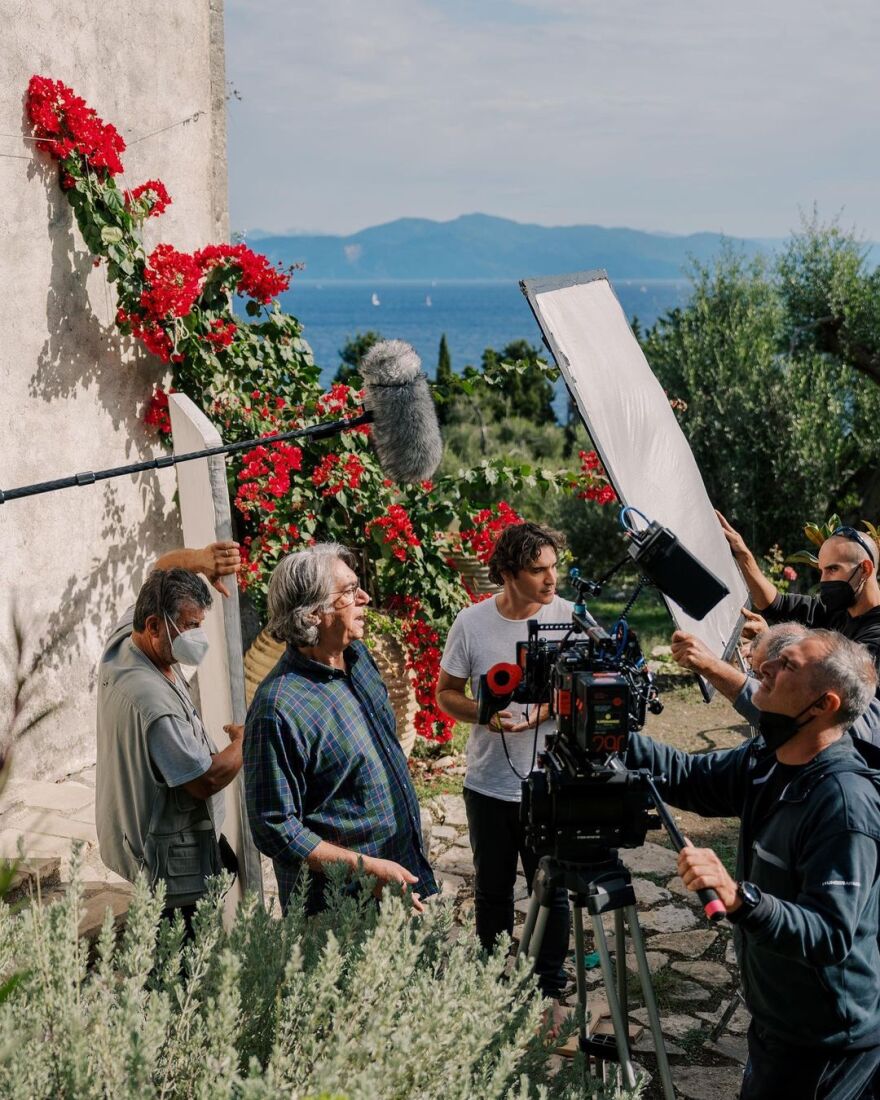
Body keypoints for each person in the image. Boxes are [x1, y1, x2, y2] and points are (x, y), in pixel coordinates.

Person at [626, 628, 880, 1099]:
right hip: (775, 1019)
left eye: (789, 666)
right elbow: (689, 777)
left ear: (823, 705)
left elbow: (830, 934)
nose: (767, 666)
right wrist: (610, 732)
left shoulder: (843, 805)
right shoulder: (769, 757)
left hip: (826, 1045)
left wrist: (740, 898)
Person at [243, 543, 436, 914]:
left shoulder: (358, 658)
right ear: (314, 613)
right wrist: (364, 870)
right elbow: (274, 828)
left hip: (399, 875)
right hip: (341, 909)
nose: (363, 597)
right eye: (348, 592)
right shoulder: (277, 708)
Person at [436, 522, 572, 997]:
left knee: (551, 891)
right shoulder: (471, 624)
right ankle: (491, 985)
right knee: (493, 893)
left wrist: (544, 711)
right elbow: (445, 696)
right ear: (508, 574)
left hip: (551, 785)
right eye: (538, 571)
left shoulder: (571, 619)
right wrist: (485, 715)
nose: (551, 580)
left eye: (554, 567)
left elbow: (586, 695)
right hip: (489, 784)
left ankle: (548, 989)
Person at [95, 542, 244, 929]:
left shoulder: (124, 642)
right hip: (172, 867)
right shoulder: (154, 703)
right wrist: (246, 742)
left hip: (143, 832)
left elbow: (159, 568)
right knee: (182, 957)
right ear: (154, 626)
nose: (197, 635)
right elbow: (205, 780)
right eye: (190, 626)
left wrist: (199, 561)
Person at [718, 512, 880, 668]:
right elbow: (776, 605)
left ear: (865, 569)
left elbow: (841, 679)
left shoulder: (876, 633)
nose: (823, 580)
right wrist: (743, 555)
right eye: (821, 571)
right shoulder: (837, 609)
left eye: (832, 569)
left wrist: (770, 642)